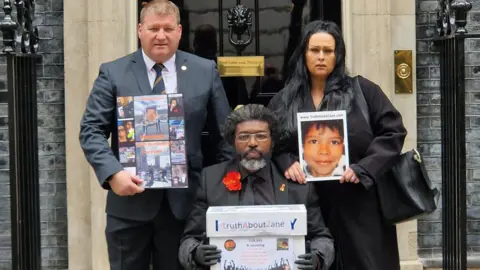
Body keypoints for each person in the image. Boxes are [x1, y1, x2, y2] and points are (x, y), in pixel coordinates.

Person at [78, 1, 232, 269]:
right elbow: (91, 130)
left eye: (168, 28)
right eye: (153, 28)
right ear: (140, 30)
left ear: (180, 31)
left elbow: (225, 135)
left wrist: (219, 191)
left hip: (185, 207)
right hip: (128, 206)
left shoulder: (204, 71)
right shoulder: (113, 72)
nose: (161, 35)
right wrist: (113, 174)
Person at [268, 20, 407, 270]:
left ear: (337, 55)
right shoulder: (285, 99)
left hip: (360, 205)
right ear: (304, 54)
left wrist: (365, 168)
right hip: (308, 207)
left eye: (328, 51)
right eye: (314, 50)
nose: (321, 57)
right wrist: (287, 162)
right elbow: (272, 143)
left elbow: (393, 131)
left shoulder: (363, 91)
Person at [178, 104, 334, 270]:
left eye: (260, 136)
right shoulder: (210, 179)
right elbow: (189, 240)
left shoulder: (297, 183)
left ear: (272, 140)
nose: (252, 143)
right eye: (244, 137)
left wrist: (317, 258)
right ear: (233, 141)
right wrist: (196, 254)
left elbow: (322, 238)